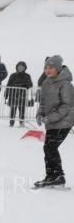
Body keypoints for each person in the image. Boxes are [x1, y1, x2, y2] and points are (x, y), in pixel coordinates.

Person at [35, 55, 73, 188]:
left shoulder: (65, 84)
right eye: (46, 67)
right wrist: (40, 113)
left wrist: (49, 118)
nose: (48, 70)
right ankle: (52, 176)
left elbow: (66, 106)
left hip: (65, 121)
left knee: (50, 147)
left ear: (57, 68)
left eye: (51, 67)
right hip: (52, 121)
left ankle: (57, 176)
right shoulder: (46, 82)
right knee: (49, 148)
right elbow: (44, 102)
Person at [5, 61, 33, 128]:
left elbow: (30, 84)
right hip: (13, 95)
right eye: (19, 67)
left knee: (22, 110)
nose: (20, 68)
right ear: (17, 67)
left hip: (22, 96)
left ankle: (21, 123)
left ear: (24, 68)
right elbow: (8, 85)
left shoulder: (27, 76)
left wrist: (23, 86)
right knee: (13, 110)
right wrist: (6, 94)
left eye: (22, 67)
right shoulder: (13, 75)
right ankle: (11, 123)